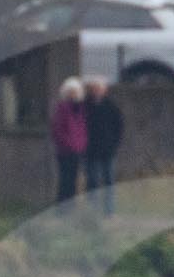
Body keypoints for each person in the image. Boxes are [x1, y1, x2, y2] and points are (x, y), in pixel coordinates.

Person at [83, 77, 123, 214]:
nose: (97, 91)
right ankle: (92, 210)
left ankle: (109, 211)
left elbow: (119, 127)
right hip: (90, 151)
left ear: (104, 90)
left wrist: (114, 144)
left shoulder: (111, 107)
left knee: (109, 182)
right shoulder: (85, 106)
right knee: (92, 181)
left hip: (108, 151)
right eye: (94, 88)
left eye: (100, 88)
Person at [49, 77, 85, 204]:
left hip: (78, 149)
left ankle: (71, 205)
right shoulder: (62, 108)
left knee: (74, 179)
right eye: (71, 92)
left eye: (75, 92)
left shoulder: (80, 109)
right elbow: (57, 130)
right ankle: (62, 206)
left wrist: (81, 144)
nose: (73, 94)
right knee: (65, 179)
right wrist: (68, 143)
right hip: (65, 150)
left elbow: (82, 128)